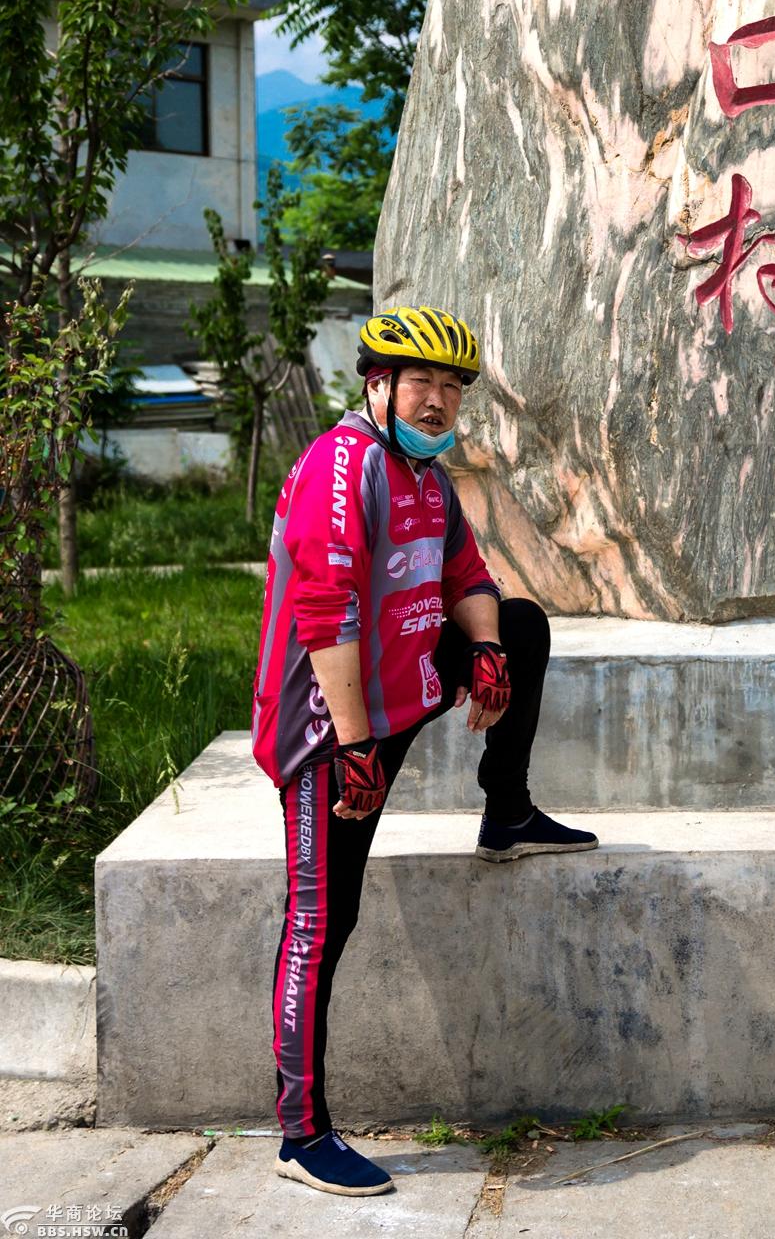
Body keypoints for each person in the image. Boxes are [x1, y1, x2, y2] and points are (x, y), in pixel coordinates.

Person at [250, 303, 597, 1197]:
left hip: (396, 696)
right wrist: (357, 749)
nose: (440, 400)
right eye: (422, 382)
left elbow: (468, 579)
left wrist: (482, 653)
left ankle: (505, 810)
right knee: (322, 923)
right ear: (378, 384)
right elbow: (323, 615)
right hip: (335, 726)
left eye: (451, 386)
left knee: (517, 625)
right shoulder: (345, 467)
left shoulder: (424, 475)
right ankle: (301, 1135)